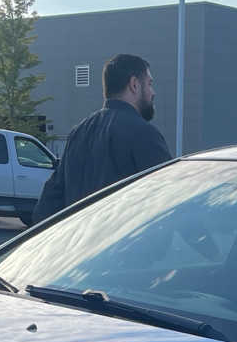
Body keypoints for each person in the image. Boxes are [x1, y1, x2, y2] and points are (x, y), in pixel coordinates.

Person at [29, 53, 171, 224]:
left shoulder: (78, 133)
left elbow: (47, 206)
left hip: (82, 247)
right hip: (124, 246)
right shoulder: (144, 134)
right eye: (149, 84)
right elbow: (169, 200)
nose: (152, 92)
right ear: (134, 84)